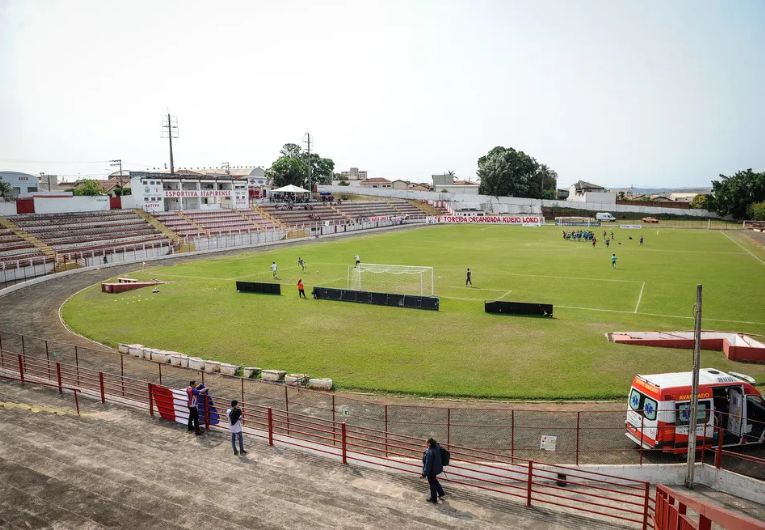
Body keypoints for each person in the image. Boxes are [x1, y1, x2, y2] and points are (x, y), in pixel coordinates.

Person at [422, 438, 445, 503]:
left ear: (429, 444)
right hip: (436, 468)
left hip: (431, 471)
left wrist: (424, 473)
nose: (425, 443)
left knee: (432, 485)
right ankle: (441, 493)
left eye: (426, 442)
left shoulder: (430, 452)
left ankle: (433, 499)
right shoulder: (436, 447)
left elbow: (428, 464)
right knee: (434, 480)